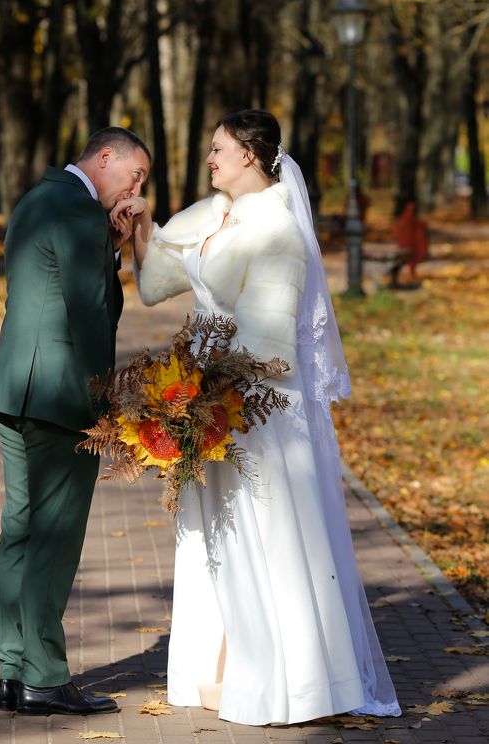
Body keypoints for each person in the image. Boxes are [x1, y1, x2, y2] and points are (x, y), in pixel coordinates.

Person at [111, 110, 400, 726]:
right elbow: (158, 281)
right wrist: (142, 227)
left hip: (256, 407)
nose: (209, 158)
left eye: (218, 149)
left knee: (265, 535)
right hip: (209, 394)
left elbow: (270, 347)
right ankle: (221, 667)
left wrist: (206, 393)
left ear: (249, 154)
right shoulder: (214, 214)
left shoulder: (277, 230)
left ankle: (292, 681)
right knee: (216, 535)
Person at [0, 127, 150, 718]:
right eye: (134, 175)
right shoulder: (80, 211)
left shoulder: (35, 199)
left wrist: (110, 246)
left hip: (13, 390)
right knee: (54, 538)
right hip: (59, 400)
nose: (134, 190)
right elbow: (92, 316)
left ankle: (11, 671)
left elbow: (51, 289)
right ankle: (45, 677)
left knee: (21, 529)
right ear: (105, 157)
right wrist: (104, 404)